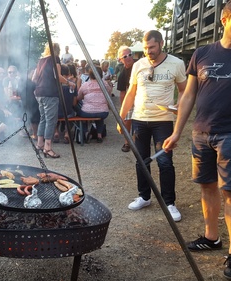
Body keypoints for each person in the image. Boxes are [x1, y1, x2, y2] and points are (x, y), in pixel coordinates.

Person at [163, 1, 231, 278]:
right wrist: (176, 132)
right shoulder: (202, 53)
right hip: (200, 133)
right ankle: (211, 238)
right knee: (207, 187)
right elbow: (188, 96)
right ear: (224, 20)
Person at [117, 30, 186, 222]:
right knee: (141, 160)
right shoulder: (138, 65)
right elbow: (131, 93)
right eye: (146, 48)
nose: (148, 51)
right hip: (140, 118)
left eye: (152, 47)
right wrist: (122, 118)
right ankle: (144, 197)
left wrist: (179, 106)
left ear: (161, 43)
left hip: (163, 120)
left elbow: (184, 90)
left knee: (164, 161)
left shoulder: (176, 64)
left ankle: (169, 203)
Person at [33, 42, 74, 158]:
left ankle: (39, 145)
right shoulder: (55, 59)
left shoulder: (41, 61)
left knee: (43, 119)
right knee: (51, 120)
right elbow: (57, 76)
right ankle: (48, 148)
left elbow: (34, 78)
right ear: (58, 50)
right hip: (50, 93)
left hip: (39, 93)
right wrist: (69, 82)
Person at [77, 66, 109, 143]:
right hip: (103, 112)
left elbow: (78, 98)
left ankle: (86, 132)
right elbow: (108, 96)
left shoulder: (85, 85)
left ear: (89, 75)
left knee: (79, 112)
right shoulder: (106, 84)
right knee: (100, 117)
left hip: (87, 112)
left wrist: (78, 84)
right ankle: (99, 135)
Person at [116, 46, 136, 153]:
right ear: (120, 59)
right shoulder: (122, 74)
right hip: (131, 98)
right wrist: (123, 110)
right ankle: (127, 142)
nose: (128, 57)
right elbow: (122, 93)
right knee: (127, 120)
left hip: (142, 97)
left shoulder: (139, 65)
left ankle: (139, 140)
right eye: (125, 56)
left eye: (130, 54)